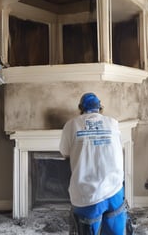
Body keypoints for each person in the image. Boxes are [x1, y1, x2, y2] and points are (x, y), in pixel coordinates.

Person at [60, 92, 132, 235]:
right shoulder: (113, 122)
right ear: (100, 107)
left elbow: (65, 153)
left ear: (81, 108)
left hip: (87, 195)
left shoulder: (71, 125)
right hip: (115, 191)